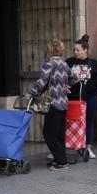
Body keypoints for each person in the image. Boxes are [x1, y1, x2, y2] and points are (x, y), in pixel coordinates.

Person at [27, 38, 76, 171]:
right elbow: (74, 78)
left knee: (48, 133)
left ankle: (61, 161)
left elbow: (42, 81)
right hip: (63, 102)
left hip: (53, 102)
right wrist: (66, 86)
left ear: (49, 49)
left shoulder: (49, 62)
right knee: (59, 133)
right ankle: (59, 159)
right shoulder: (64, 63)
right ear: (61, 49)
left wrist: (31, 93)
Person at [66, 35, 97, 159]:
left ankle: (87, 148)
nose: (75, 52)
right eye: (74, 50)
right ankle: (68, 146)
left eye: (78, 50)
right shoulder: (69, 62)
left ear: (85, 50)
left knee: (88, 122)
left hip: (90, 97)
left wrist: (96, 86)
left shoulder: (94, 63)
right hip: (72, 98)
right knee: (70, 122)